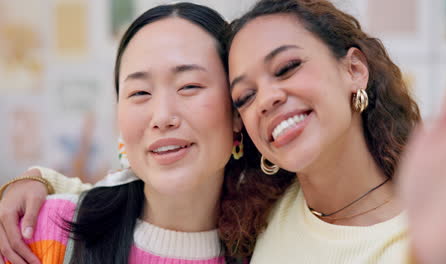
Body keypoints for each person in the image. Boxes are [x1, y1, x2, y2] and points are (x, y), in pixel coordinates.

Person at [2, 0, 446, 263]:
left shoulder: (428, 237)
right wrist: (37, 181)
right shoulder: (259, 212)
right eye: (245, 95)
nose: (266, 99)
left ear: (354, 69)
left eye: (287, 67)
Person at [0, 2, 275, 263]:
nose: (162, 117)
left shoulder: (274, 248)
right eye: (140, 92)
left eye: (189, 86)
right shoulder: (38, 231)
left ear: (237, 110)